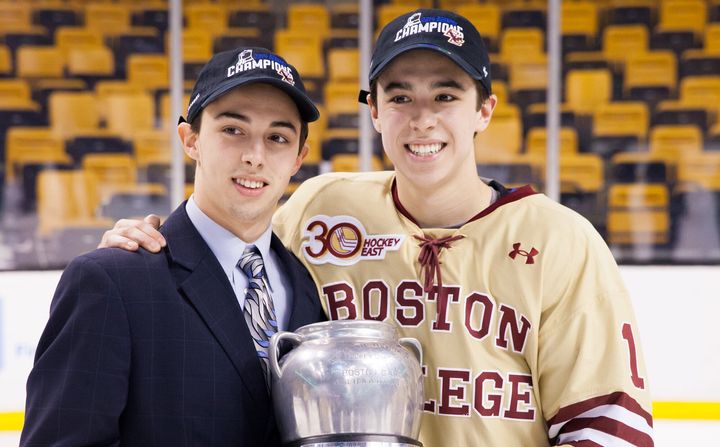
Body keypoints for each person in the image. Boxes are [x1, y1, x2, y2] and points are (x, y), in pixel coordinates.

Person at [98, 9, 654, 446]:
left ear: (484, 110)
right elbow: (226, 256)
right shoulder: (323, 207)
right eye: (399, 96)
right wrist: (144, 246)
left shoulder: (560, 240)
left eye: (446, 95)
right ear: (374, 111)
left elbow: (608, 425)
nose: (422, 118)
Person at [21, 47, 326, 446]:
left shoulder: (307, 285)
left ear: (299, 157)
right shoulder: (112, 280)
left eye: (277, 137)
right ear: (191, 139)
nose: (255, 156)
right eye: (233, 130)